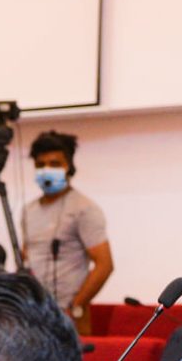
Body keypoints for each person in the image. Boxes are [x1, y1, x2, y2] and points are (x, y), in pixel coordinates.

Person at [21, 130, 113, 329]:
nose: (46, 170)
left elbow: (104, 264)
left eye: (54, 164)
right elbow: (26, 258)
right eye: (40, 165)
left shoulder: (84, 209)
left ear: (69, 167)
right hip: (34, 313)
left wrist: (76, 306)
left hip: (70, 315)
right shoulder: (28, 210)